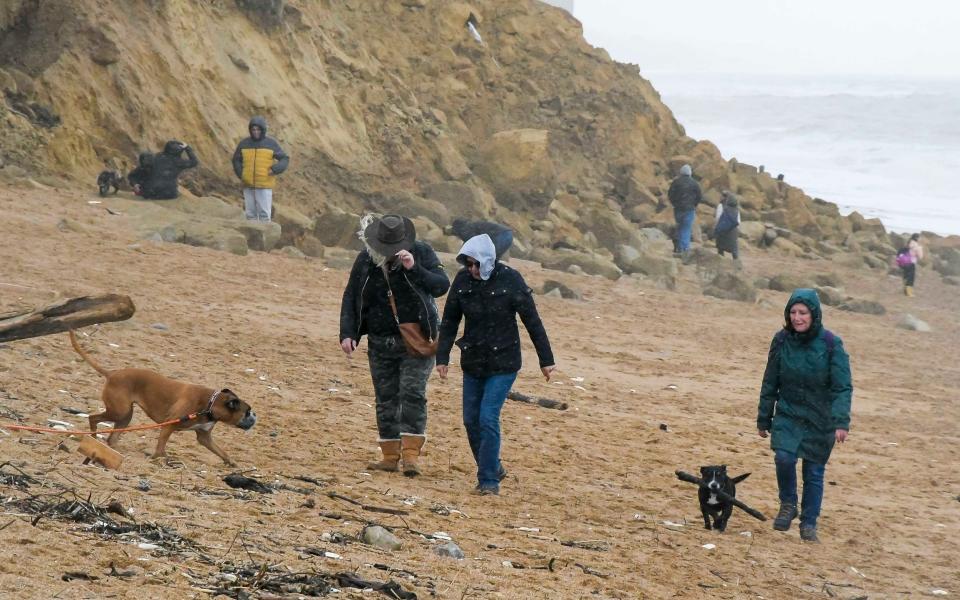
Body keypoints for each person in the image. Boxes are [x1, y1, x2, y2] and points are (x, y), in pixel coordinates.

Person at [436, 234, 556, 496]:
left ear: (488, 261)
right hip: (473, 360)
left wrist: (546, 360)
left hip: (504, 361)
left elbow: (532, 320)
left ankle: (489, 480)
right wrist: (442, 357)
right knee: (470, 420)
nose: (472, 270)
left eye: (476, 264)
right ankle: (493, 466)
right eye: (468, 264)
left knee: (487, 417)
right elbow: (450, 321)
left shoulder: (510, 279)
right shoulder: (463, 281)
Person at [339, 214, 450, 477]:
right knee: (385, 398)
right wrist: (347, 333)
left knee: (412, 392)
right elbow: (352, 295)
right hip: (379, 340)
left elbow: (441, 286)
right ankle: (390, 455)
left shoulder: (421, 252)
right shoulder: (366, 258)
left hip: (417, 340)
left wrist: (415, 269)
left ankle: (411, 455)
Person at [757, 289, 852, 543]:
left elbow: (842, 386)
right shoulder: (781, 340)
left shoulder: (832, 344)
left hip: (821, 418)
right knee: (784, 458)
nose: (797, 318)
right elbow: (770, 381)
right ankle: (788, 503)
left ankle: (809, 523)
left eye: (803, 313)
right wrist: (764, 418)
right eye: (793, 312)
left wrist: (841, 422)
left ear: (814, 315)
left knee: (813, 472)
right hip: (788, 412)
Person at [232, 116, 289, 222]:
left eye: (258, 129)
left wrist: (275, 169)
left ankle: (266, 237)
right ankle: (253, 237)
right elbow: (236, 160)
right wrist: (241, 174)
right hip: (248, 184)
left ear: (263, 130)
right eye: (253, 129)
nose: (255, 132)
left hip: (264, 185)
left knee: (264, 214)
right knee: (250, 214)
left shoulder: (271, 144)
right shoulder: (244, 143)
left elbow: (284, 159)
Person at [667, 164, 702, 255]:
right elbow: (699, 196)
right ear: (690, 173)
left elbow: (670, 194)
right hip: (689, 209)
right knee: (686, 228)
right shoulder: (694, 183)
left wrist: (674, 204)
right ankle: (685, 249)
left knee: (679, 226)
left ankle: (678, 247)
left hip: (678, 209)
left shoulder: (676, 182)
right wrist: (694, 204)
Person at [446, 218, 514, 259]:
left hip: (501, 235)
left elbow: (472, 241)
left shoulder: (464, 230)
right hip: (507, 234)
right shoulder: (471, 226)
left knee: (490, 258)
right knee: (493, 258)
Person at [713, 190, 741, 260]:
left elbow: (718, 218)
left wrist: (717, 228)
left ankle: (721, 262)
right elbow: (738, 221)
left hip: (722, 230)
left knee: (720, 248)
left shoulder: (721, 205)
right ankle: (736, 264)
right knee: (734, 249)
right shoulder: (736, 209)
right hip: (733, 230)